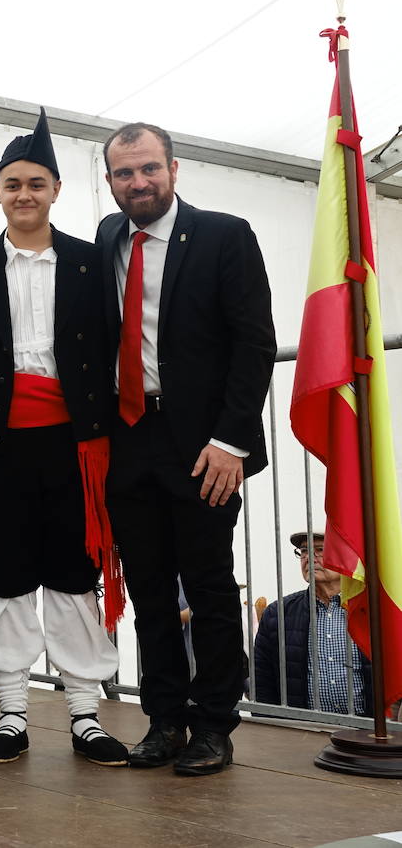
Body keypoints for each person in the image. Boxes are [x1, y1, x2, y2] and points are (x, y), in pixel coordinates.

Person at [0, 110, 127, 766]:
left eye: (36, 182)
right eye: (12, 183)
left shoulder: (91, 263)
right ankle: (13, 713)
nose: (24, 193)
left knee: (74, 579)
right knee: (6, 578)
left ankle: (85, 718)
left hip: (74, 448)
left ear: (55, 190)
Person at [98, 123, 275, 775]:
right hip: (130, 438)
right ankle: (164, 720)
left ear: (174, 169)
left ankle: (213, 725)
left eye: (148, 169)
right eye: (124, 173)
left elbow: (254, 344)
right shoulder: (108, 238)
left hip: (205, 445)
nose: (138, 182)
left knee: (207, 586)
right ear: (110, 181)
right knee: (147, 589)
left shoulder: (226, 236)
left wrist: (232, 440)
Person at [254, 531, 372, 715]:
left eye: (320, 549)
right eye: (303, 551)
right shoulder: (277, 614)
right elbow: (263, 683)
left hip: (367, 733)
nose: (309, 557)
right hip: (303, 734)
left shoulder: (374, 610)